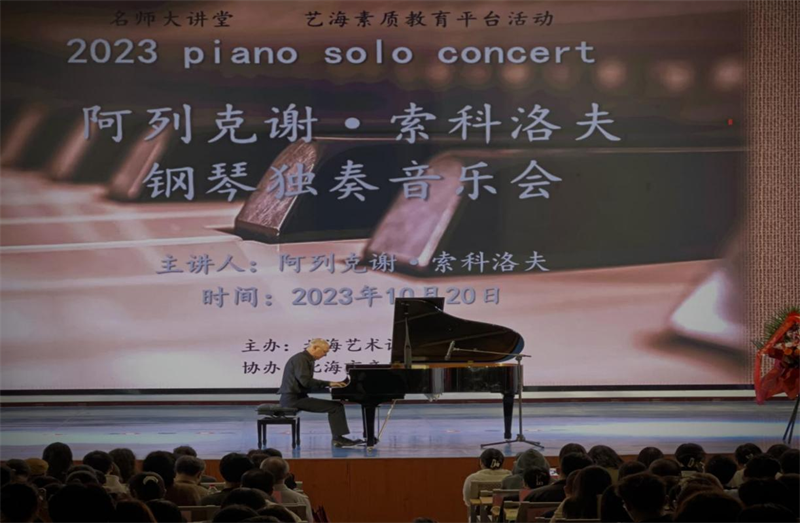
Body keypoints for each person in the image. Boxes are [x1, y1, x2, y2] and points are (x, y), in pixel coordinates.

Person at [279, 338, 361, 447]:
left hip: (296, 397)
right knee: (336, 407)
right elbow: (306, 382)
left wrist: (329, 385)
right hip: (293, 400)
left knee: (336, 406)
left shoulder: (305, 359)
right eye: (324, 351)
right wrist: (328, 383)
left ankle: (338, 438)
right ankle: (338, 439)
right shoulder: (301, 359)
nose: (325, 355)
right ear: (314, 347)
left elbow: (305, 382)